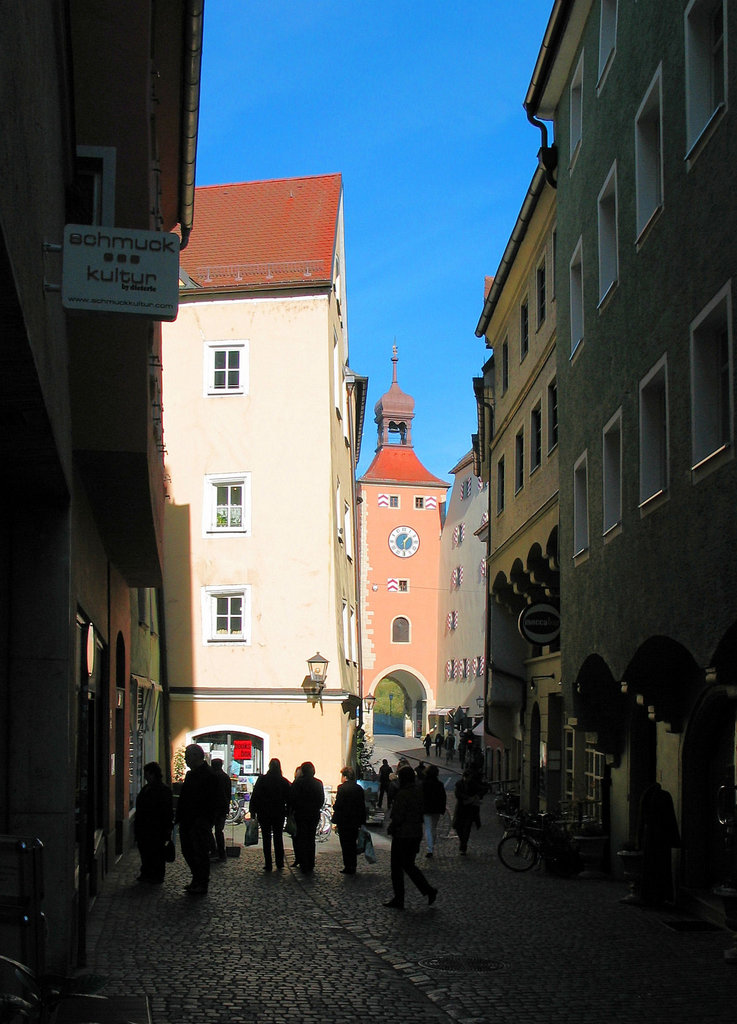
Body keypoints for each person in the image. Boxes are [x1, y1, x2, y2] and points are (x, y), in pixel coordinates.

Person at [383, 765, 438, 909]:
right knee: (409, 865)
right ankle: (428, 890)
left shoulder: (403, 794)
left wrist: (392, 827)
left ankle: (399, 898)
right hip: (415, 833)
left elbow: (399, 816)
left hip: (403, 835)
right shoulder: (418, 791)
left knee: (397, 868)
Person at [175, 743, 218, 895]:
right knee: (187, 851)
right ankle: (196, 879)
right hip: (188, 819)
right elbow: (184, 797)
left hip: (200, 821)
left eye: (187, 756)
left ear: (196, 757)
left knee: (200, 852)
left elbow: (213, 800)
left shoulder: (209, 775)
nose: (185, 759)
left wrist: (206, 820)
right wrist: (178, 816)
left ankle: (202, 882)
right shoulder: (191, 774)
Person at [637, 782, 680, 906]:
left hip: (651, 838)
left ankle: (650, 896)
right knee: (662, 867)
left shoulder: (646, 798)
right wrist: (675, 839)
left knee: (650, 868)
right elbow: (671, 819)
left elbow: (641, 820)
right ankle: (660, 896)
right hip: (662, 838)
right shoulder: (664, 797)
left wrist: (638, 840)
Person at [249, 757, 292, 872]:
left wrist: (253, 811)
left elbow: (255, 795)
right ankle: (280, 862)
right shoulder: (283, 781)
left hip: (264, 813)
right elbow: (289, 798)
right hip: (278, 813)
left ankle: (268, 863)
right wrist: (288, 812)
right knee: (278, 838)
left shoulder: (262, 779)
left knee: (266, 838)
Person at [134, 762, 173, 884]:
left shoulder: (161, 790)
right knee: (146, 851)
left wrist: (167, 828)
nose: (144, 776)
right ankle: (147, 872)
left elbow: (166, 811)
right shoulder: (148, 788)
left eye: (146, 773)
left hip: (156, 828)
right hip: (145, 828)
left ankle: (156, 875)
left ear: (152, 774)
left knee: (156, 852)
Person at [289, 761, 324, 874]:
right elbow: (321, 800)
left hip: (300, 814)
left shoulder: (298, 783)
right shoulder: (318, 783)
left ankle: (303, 862)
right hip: (313, 814)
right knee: (311, 838)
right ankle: (310, 862)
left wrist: (292, 811)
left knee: (302, 838)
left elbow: (292, 799)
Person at [331, 766, 367, 874]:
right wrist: (362, 821)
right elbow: (361, 806)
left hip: (344, 821)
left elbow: (339, 805)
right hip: (355, 821)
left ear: (345, 776)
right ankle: (353, 865)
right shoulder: (358, 788)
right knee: (352, 843)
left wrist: (335, 808)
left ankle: (348, 865)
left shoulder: (342, 788)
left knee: (345, 844)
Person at [453, 769, 484, 855]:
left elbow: (482, 789)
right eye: (467, 778)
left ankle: (463, 846)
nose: (468, 779)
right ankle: (463, 842)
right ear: (464, 777)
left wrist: (477, 797)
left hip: (470, 809)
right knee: (458, 827)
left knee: (467, 828)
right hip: (461, 808)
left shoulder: (473, 784)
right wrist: (467, 798)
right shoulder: (459, 784)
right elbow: (457, 794)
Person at [208, 758, 232, 862]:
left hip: (213, 807)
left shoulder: (212, 777)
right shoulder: (226, 777)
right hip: (223, 807)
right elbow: (228, 793)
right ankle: (221, 853)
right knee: (219, 831)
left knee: (208, 829)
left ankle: (214, 850)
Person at [422, 762, 446, 859]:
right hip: (436, 809)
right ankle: (431, 846)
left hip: (426, 809)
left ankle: (430, 848)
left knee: (428, 828)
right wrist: (442, 808)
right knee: (433, 828)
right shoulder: (439, 784)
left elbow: (421, 797)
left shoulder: (424, 784)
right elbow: (443, 797)